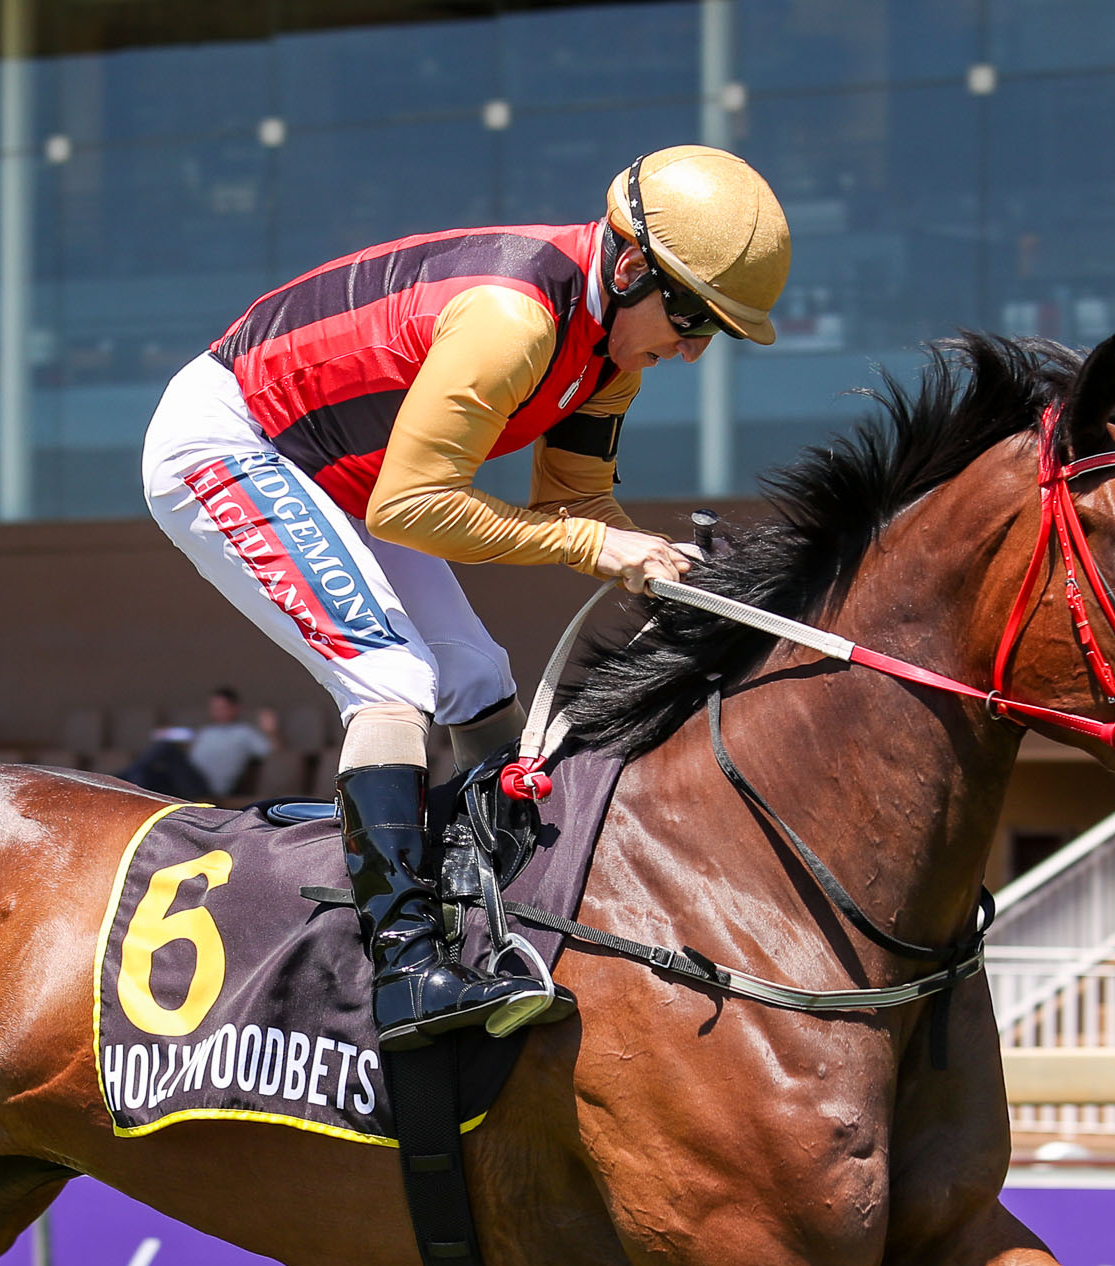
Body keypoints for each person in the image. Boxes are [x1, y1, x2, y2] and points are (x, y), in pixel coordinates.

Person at [143, 146, 791, 1049]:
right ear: (630, 269)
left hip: (345, 470)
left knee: (476, 676)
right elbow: (412, 508)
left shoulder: (611, 356)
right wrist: (598, 547)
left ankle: (506, 906)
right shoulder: (511, 321)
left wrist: (661, 561)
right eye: (689, 318)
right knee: (392, 681)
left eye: (714, 331)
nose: (692, 350)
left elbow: (573, 508)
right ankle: (404, 969)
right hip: (240, 442)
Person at [187, 686, 279, 798]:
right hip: (189, 778)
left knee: (168, 750)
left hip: (210, 787)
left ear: (235, 708)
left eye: (222, 708)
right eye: (214, 708)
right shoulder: (205, 732)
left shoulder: (244, 732)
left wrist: (271, 731)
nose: (218, 712)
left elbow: (271, 752)